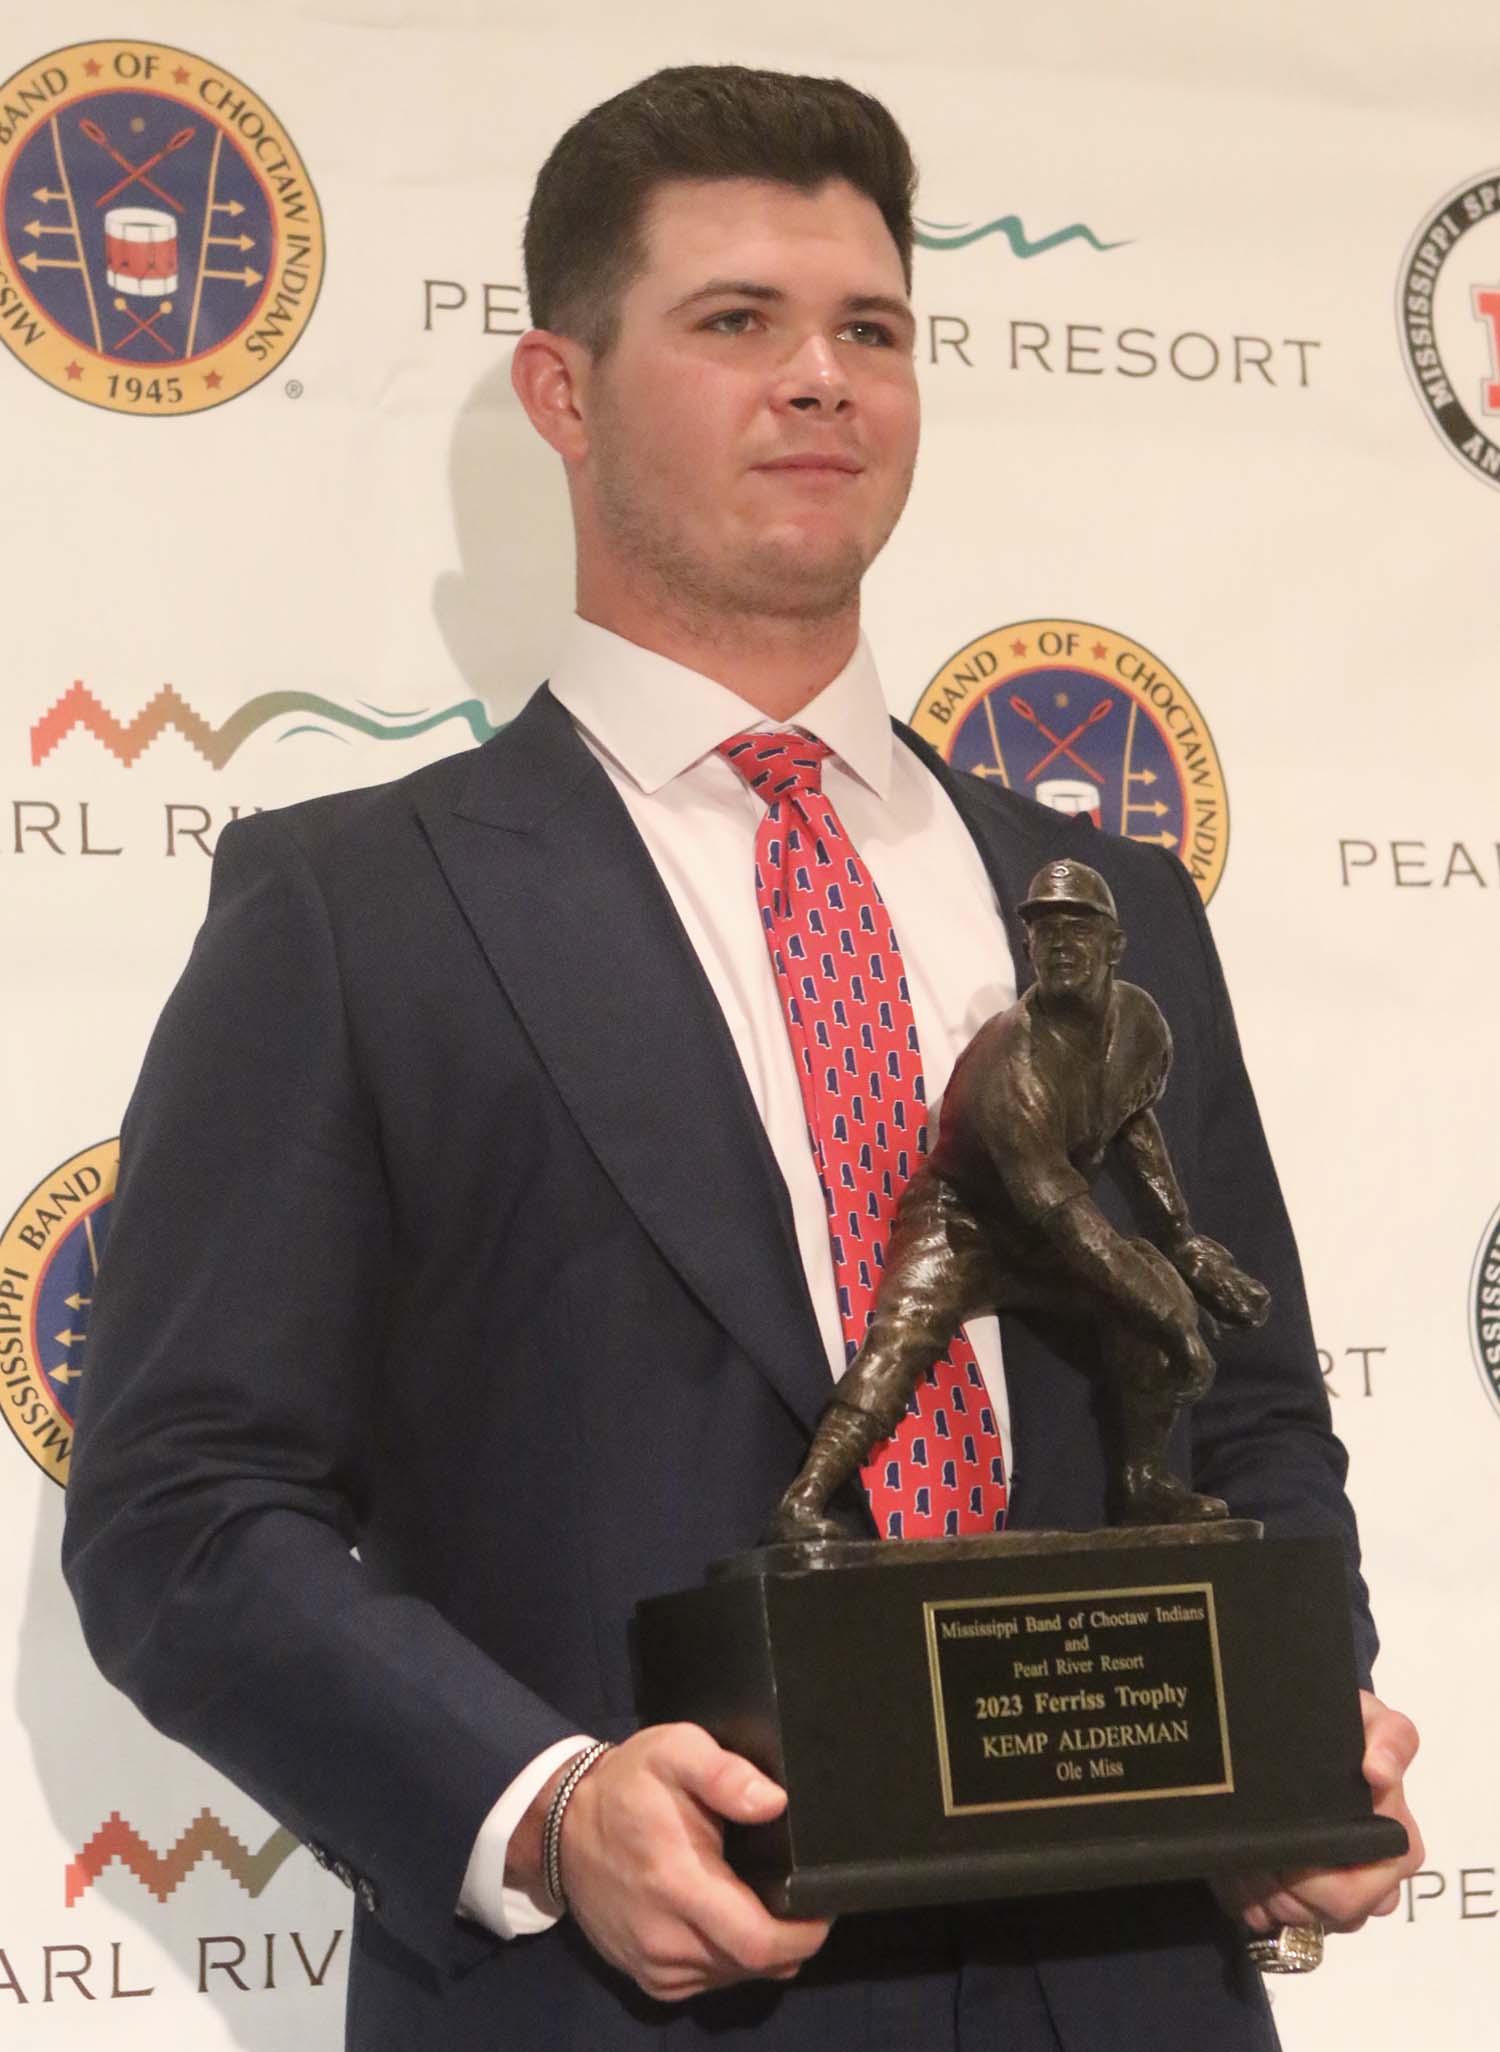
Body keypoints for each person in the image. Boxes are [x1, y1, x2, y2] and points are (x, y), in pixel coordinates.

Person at [64, 63, 1421, 2052]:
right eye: (735, 321)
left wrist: (1300, 1720)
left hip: (1132, 1990)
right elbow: (182, 1510)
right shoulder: (352, 912)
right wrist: (543, 1810)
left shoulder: (1110, 899)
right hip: (632, 2005)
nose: (820, 379)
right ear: (562, 393)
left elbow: (1253, 1419)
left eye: (871, 328)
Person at [769, 855, 1272, 1540]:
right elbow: (1071, 1223)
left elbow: (1131, 1118)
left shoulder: (1140, 1022)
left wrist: (1179, 1240)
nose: (1060, 944)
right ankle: (805, 1499)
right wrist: (1169, 1316)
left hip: (1046, 1223)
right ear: (1027, 946)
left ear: (1115, 945)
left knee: (1152, 1298)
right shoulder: (1014, 1064)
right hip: (964, 1222)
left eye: (1079, 929)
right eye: (1045, 931)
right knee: (901, 1339)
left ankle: (1145, 1484)